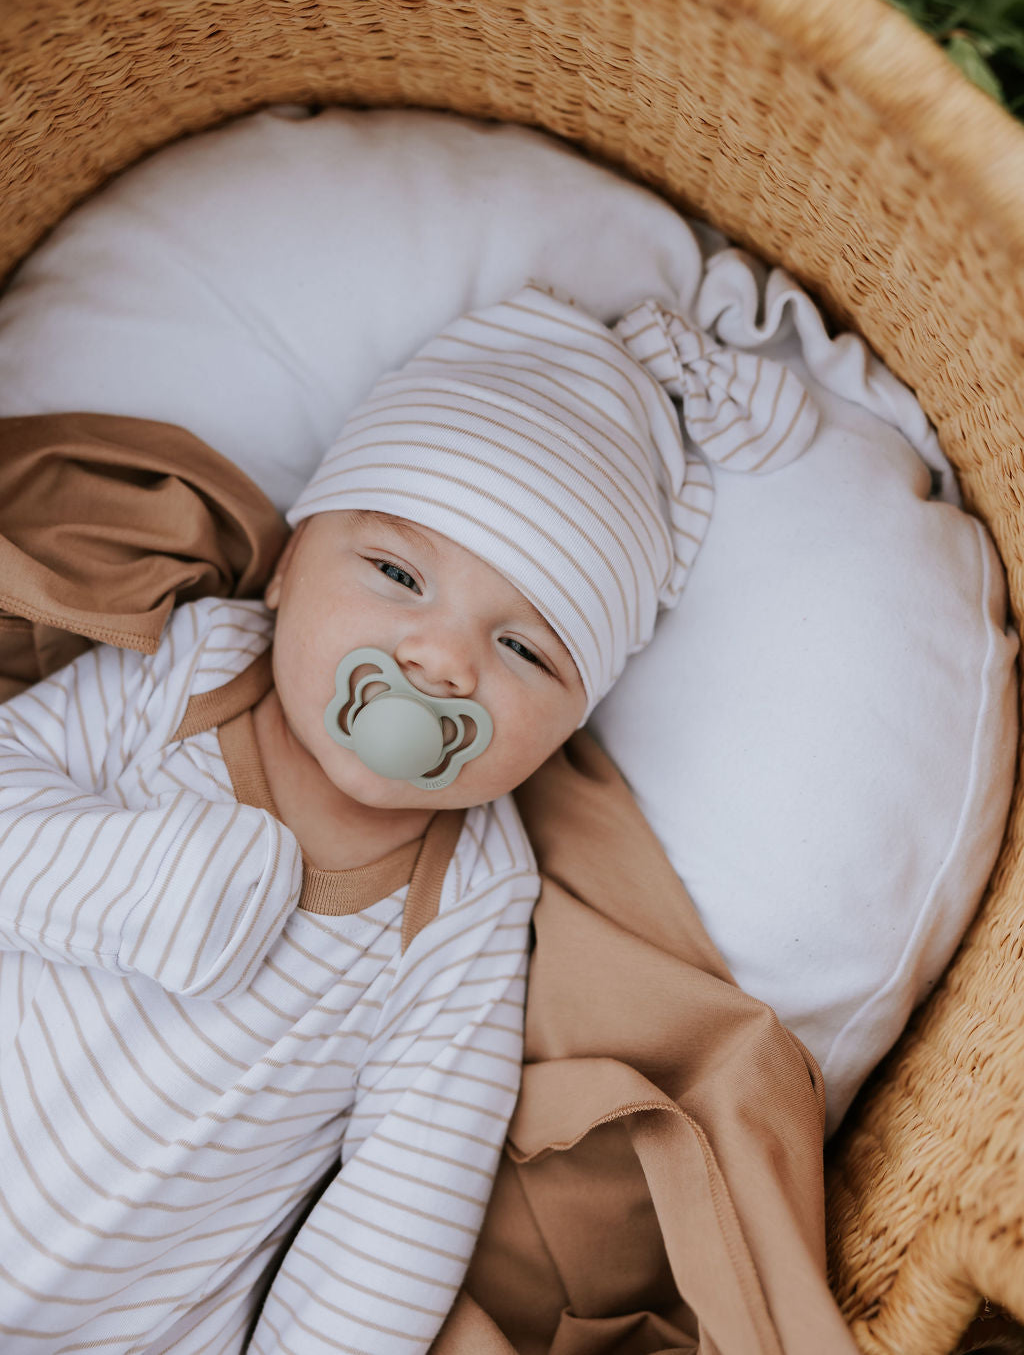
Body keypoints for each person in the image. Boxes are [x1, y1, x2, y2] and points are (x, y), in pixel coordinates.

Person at [0, 283, 815, 1354]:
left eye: (523, 649)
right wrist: (150, 882)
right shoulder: (189, 671)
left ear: (566, 725)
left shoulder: (469, 899)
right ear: (290, 567)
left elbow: (400, 1206)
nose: (439, 658)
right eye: (396, 573)